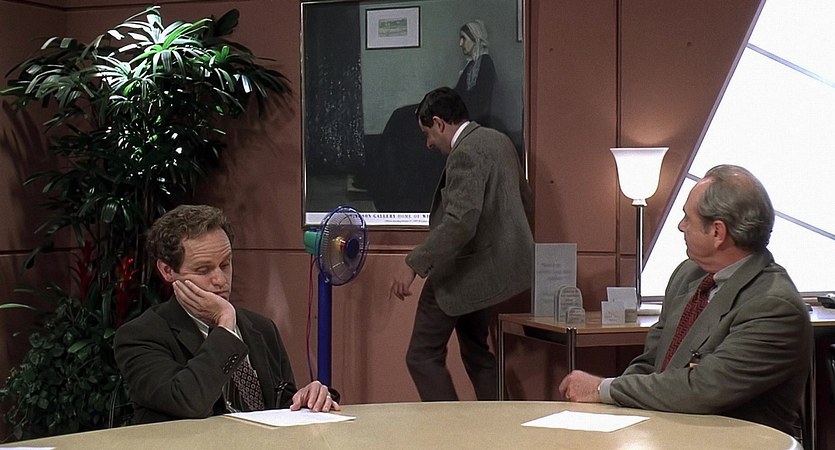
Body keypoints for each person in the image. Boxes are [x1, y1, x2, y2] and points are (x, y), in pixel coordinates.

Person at [558, 165, 812, 437]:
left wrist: (602, 389)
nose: (681, 226)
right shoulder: (688, 274)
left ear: (717, 232)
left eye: (687, 218)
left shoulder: (774, 307)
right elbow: (651, 363)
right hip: (664, 432)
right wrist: (612, 409)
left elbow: (703, 388)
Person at [114, 205, 339, 424]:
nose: (220, 280)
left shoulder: (262, 328)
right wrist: (225, 326)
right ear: (167, 271)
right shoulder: (141, 336)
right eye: (203, 270)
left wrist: (307, 398)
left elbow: (279, 407)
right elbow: (189, 402)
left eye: (225, 264)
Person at [390, 87, 533, 401]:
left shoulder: (465, 153)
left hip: (461, 272)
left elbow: (459, 221)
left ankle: (447, 426)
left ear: (439, 123)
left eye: (427, 134)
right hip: (490, 273)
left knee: (421, 356)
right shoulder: (500, 141)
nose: (429, 144)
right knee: (478, 354)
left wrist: (413, 263)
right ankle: (502, 423)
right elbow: (524, 203)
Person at [454, 20, 496, 126]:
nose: (460, 44)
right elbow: (459, 90)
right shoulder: (471, 64)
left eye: (464, 38)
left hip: (477, 121)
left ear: (475, 39)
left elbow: (481, 99)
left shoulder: (485, 63)